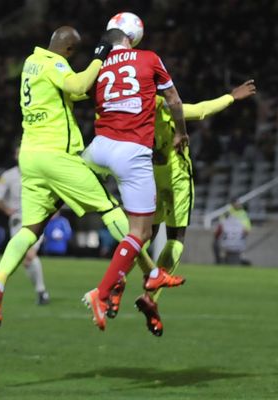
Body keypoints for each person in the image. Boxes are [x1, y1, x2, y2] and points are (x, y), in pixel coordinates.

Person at [0, 27, 175, 329]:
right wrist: (100, 58)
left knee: (30, 228)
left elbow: (75, 92)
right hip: (57, 156)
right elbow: (78, 82)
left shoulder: (31, 63)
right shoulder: (55, 64)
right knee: (110, 208)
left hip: (30, 158)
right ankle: (150, 271)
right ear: (69, 51)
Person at [110, 81, 257, 336]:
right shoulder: (165, 107)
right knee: (176, 238)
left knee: (143, 235)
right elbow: (201, 110)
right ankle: (151, 295)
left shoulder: (130, 115)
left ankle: (117, 279)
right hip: (177, 177)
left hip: (150, 178)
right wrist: (231, 97)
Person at [81, 22, 188, 331]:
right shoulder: (149, 58)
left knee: (86, 198)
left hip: (98, 147)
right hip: (132, 151)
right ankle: (103, 292)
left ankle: (143, 275)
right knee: (140, 232)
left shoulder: (98, 65)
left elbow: (85, 95)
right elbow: (175, 102)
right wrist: (181, 133)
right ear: (132, 38)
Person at [0, 145, 50, 305]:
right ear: (15, 156)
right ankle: (42, 292)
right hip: (17, 220)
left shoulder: (39, 173)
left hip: (36, 218)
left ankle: (41, 293)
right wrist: (7, 209)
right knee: (26, 260)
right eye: (18, 152)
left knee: (29, 254)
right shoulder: (8, 175)